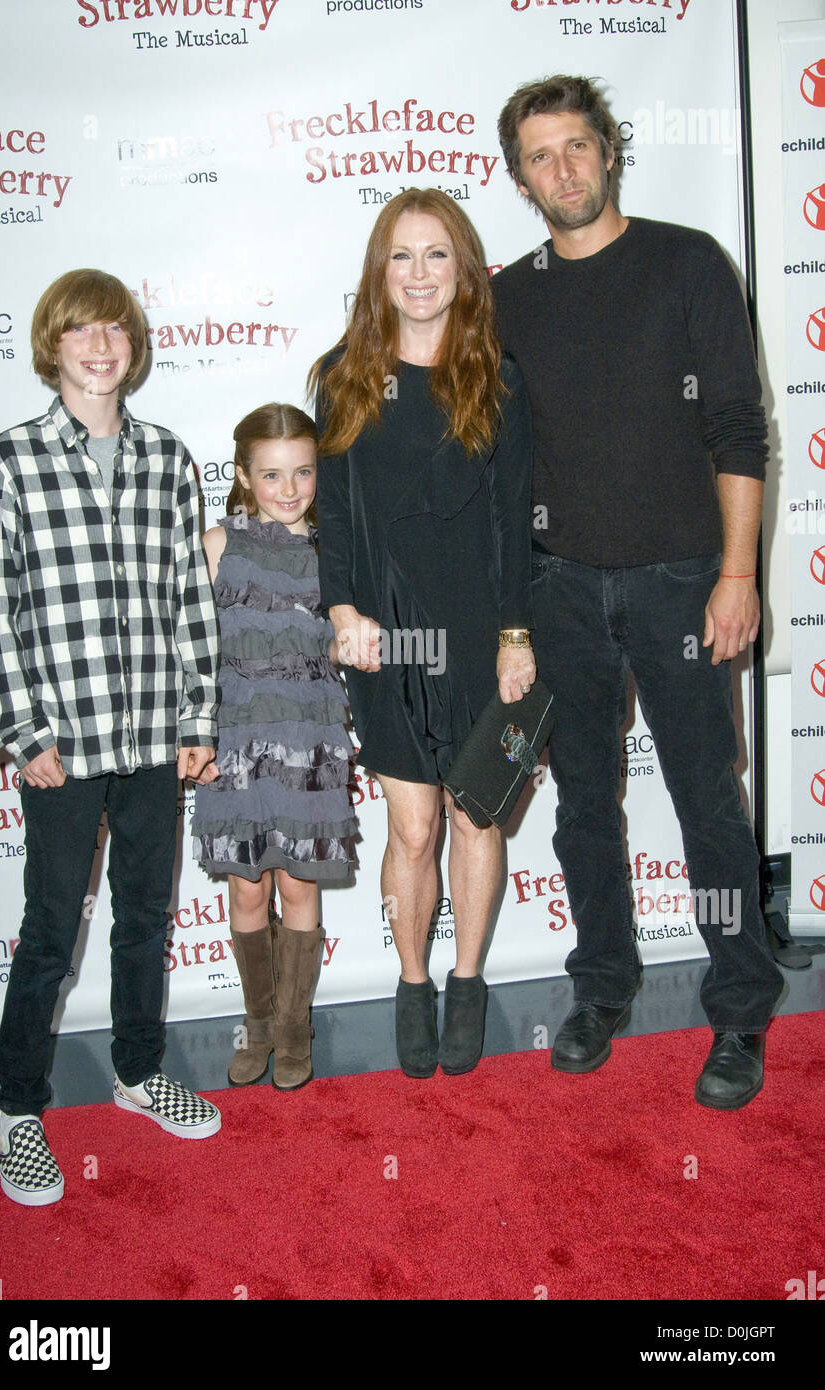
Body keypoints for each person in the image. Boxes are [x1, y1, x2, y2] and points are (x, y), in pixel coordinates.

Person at [491, 76, 784, 1109]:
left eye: (577, 145)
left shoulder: (685, 260)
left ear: (608, 150)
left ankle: (740, 1005)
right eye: (540, 154)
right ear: (517, 175)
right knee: (582, 806)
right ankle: (601, 986)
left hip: (680, 582)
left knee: (706, 802)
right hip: (558, 587)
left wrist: (736, 575)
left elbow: (736, 431)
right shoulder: (504, 294)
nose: (563, 168)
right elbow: (485, 454)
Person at [0, 268, 222, 1207]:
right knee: (48, 931)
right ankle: (17, 1106)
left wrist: (198, 719)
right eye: (81, 328)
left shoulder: (168, 458)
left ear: (133, 344)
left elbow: (189, 602)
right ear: (54, 345)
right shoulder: (9, 461)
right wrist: (26, 731)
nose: (101, 343)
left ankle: (137, 1069)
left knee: (146, 918)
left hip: (156, 732)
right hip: (62, 743)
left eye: (115, 326)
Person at [310, 188, 535, 1080]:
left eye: (436, 254)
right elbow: (331, 508)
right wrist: (340, 611)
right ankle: (412, 982)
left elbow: (516, 518)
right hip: (386, 637)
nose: (418, 274)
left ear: (464, 268)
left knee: (474, 818)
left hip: (479, 629)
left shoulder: (499, 377)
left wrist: (517, 632)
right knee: (412, 831)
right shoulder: (344, 376)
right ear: (379, 272)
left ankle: (468, 981)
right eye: (401, 257)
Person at [191, 404, 358, 1091]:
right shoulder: (216, 546)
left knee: (299, 885)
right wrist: (191, 735)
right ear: (242, 475)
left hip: (311, 740)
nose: (288, 489)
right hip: (235, 740)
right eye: (271, 475)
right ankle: (257, 1028)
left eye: (302, 473)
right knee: (248, 891)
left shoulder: (334, 550)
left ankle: (294, 1032)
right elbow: (191, 654)